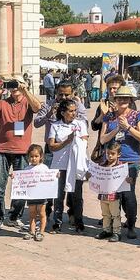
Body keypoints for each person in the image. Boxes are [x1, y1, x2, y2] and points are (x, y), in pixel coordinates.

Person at [0, 79, 43, 231]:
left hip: (22, 151)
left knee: (20, 187)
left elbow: (37, 107)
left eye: (17, 85)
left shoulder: (27, 101)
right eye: (12, 86)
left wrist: (25, 91)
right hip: (2, 149)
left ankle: (14, 217)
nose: (14, 88)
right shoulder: (3, 103)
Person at [98, 84, 140, 239]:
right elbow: (102, 139)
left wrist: (127, 128)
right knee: (112, 194)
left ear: (131, 100)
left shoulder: (138, 115)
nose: (122, 101)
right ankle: (114, 226)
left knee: (128, 195)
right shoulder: (109, 116)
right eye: (119, 98)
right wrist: (116, 129)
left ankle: (131, 224)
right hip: (111, 161)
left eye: (126, 98)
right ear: (115, 99)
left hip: (130, 161)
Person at [48, 99, 89, 233]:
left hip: (75, 165)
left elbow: (84, 142)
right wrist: (66, 141)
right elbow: (51, 146)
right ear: (63, 112)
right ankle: (57, 222)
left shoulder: (80, 124)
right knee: (59, 195)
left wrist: (77, 141)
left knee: (77, 195)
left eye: (75, 111)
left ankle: (78, 221)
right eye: (70, 111)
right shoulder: (55, 126)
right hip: (60, 165)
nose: (73, 113)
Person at [10, 143, 48, 242]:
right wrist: (14, 177)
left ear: (41, 156)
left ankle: (41, 232)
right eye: (31, 156)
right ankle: (31, 231)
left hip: (41, 195)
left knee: (42, 214)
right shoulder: (26, 169)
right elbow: (21, 180)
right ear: (28, 157)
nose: (34, 158)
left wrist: (56, 175)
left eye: (36, 156)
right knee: (32, 214)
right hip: (31, 196)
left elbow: (50, 179)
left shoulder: (44, 168)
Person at [95, 142, 124, 242]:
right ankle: (106, 230)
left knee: (116, 215)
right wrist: (92, 176)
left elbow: (125, 179)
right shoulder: (102, 165)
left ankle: (117, 232)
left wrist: (128, 179)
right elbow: (97, 177)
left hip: (114, 196)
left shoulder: (121, 167)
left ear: (118, 154)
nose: (110, 156)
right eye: (108, 153)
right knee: (105, 214)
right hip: (103, 195)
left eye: (112, 154)